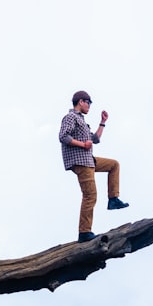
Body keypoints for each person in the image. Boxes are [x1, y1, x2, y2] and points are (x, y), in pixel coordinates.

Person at [58, 90, 129, 242]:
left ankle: (113, 199)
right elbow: (63, 136)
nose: (89, 106)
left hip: (88, 159)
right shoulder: (70, 117)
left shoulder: (81, 120)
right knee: (90, 195)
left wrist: (102, 122)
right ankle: (84, 232)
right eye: (88, 102)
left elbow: (94, 139)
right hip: (80, 161)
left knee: (114, 165)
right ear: (81, 102)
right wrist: (83, 144)